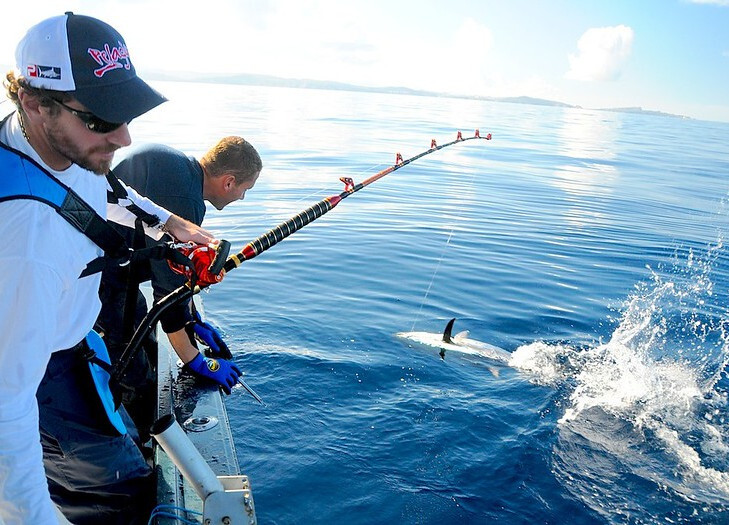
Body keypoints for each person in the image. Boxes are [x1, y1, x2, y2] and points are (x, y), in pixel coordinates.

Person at [0, 12, 219, 525]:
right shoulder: (26, 247)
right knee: (120, 494)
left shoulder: (49, 139)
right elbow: (6, 407)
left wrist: (170, 223)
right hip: (45, 373)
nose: (122, 138)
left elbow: (103, 191)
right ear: (34, 102)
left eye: (125, 114)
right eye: (102, 120)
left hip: (76, 338)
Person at [98, 138, 262, 435]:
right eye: (244, 190)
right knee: (136, 377)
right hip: (99, 279)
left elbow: (174, 276)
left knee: (143, 341)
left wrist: (194, 321)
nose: (242, 198)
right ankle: (139, 448)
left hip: (114, 271)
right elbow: (167, 293)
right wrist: (197, 361)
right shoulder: (186, 202)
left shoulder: (177, 166)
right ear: (229, 182)